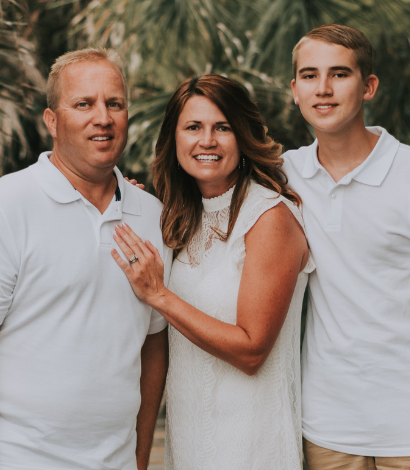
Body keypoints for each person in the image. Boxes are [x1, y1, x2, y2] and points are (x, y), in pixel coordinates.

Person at [0, 48, 170, 470]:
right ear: (52, 120)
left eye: (114, 104)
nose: (102, 117)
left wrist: (139, 459)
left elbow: (154, 347)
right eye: (83, 104)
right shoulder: (4, 207)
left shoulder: (153, 216)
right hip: (16, 458)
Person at [284, 24, 410, 470]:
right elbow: (210, 187)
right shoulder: (284, 173)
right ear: (294, 90)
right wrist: (126, 191)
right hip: (327, 431)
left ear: (368, 86)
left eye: (339, 74)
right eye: (309, 76)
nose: (323, 89)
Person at [110, 75, 313, 469]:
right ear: (175, 139)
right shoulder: (179, 219)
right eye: (193, 127)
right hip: (190, 444)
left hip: (252, 447)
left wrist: (159, 296)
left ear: (243, 136)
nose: (207, 141)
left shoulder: (268, 217)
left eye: (223, 127)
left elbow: (252, 349)